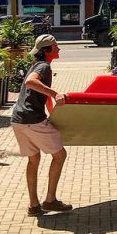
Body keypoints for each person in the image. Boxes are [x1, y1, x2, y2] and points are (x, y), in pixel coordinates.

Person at [10, 34, 72, 216]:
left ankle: (34, 205)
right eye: (56, 46)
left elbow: (39, 94)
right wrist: (55, 93)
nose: (58, 49)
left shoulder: (36, 65)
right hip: (31, 119)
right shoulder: (44, 66)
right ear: (47, 50)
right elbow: (30, 83)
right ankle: (50, 200)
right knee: (60, 155)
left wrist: (53, 113)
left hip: (18, 120)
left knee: (33, 159)